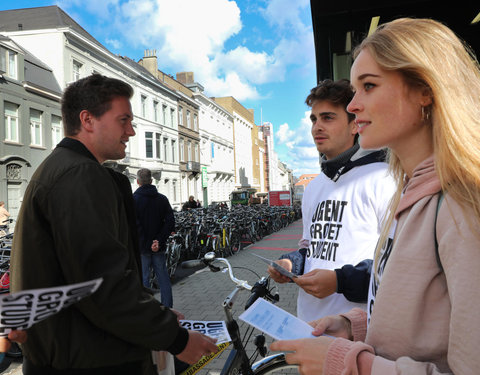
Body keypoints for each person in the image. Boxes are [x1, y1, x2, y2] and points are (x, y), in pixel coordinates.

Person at [271, 17, 480, 374]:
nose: (354, 106)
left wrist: (352, 363)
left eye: (369, 86)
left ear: (425, 90)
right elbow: (419, 315)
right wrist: (356, 326)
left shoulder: (463, 205)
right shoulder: (411, 191)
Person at [10, 74, 217, 374]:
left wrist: (152, 312)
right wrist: (177, 339)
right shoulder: (79, 176)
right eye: (124, 120)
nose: (131, 131)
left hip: (74, 353)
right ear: (88, 120)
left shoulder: (63, 169)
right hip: (91, 359)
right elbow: (102, 285)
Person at [268, 79, 395, 321]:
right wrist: (291, 264)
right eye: (314, 119)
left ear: (354, 125)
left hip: (358, 328)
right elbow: (313, 248)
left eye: (328, 118)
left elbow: (396, 265)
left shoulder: (383, 178)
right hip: (308, 322)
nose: (317, 127)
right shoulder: (314, 187)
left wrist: (339, 282)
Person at [134, 168, 175, 307]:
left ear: (138, 181)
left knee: (144, 279)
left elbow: (135, 224)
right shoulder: (162, 199)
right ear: (151, 181)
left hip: (142, 248)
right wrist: (159, 240)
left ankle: (147, 309)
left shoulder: (134, 200)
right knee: (163, 277)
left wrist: (146, 243)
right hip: (159, 246)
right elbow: (170, 222)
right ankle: (168, 307)